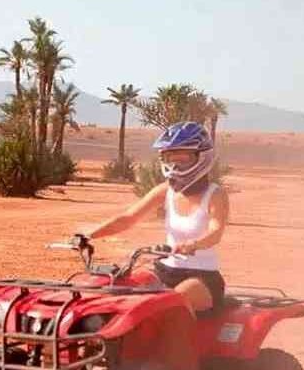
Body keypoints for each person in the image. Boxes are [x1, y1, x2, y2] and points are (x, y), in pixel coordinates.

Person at [80, 121, 229, 313]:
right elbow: (128, 218)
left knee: (174, 302)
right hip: (165, 270)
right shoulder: (165, 190)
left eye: (183, 158)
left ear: (202, 156)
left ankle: (176, 344)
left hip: (203, 277)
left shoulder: (215, 194)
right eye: (170, 158)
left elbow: (216, 232)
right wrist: (88, 236)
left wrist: (193, 245)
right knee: (119, 289)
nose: (175, 164)